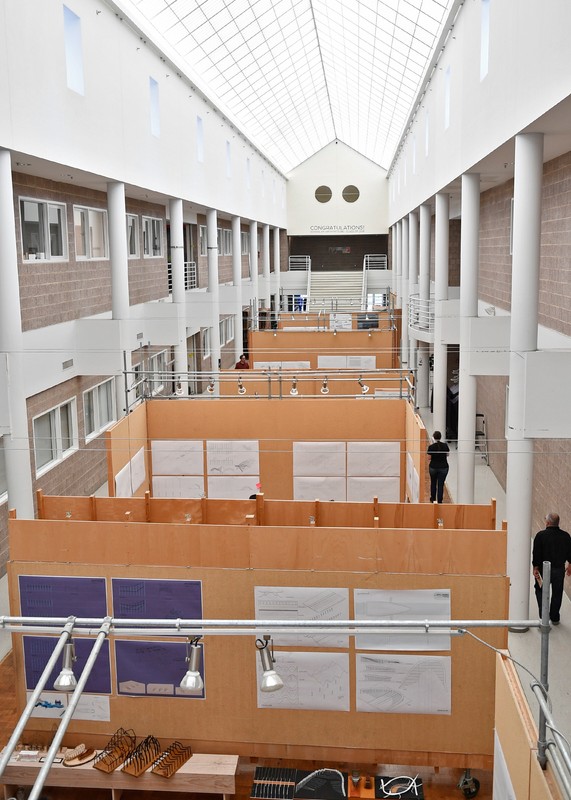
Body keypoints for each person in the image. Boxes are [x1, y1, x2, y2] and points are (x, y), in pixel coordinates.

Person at [532, 512, 571, 624]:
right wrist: (569, 566)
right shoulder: (566, 536)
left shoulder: (541, 536)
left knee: (540, 590)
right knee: (557, 592)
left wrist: (535, 568)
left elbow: (536, 554)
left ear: (548, 522)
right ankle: (554, 617)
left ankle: (543, 616)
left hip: (544, 570)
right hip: (559, 570)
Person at [427, 430, 449, 504]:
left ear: (433, 437)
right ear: (440, 437)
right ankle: (440, 500)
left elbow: (429, 458)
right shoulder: (445, 445)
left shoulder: (431, 447)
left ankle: (433, 499)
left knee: (433, 483)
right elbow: (447, 455)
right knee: (441, 484)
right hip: (443, 467)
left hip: (433, 467)